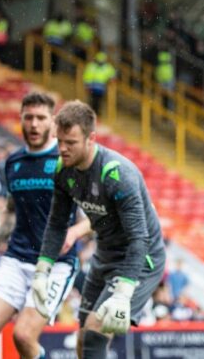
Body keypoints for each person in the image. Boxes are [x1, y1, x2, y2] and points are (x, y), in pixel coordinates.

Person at [31, 100, 166, 358]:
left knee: (95, 332)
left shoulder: (116, 174)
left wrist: (124, 293)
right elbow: (57, 223)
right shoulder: (62, 170)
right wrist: (42, 269)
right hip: (105, 255)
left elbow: (140, 238)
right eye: (59, 141)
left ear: (91, 138)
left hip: (140, 258)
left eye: (70, 143)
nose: (62, 149)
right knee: (83, 340)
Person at [0, 92, 92, 359]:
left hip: (55, 263)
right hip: (17, 257)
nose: (34, 124)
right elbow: (11, 209)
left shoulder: (68, 161)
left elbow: (99, 214)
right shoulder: (13, 163)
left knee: (23, 337)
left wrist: (74, 231)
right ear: (21, 120)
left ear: (53, 122)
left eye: (41, 118)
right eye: (29, 118)